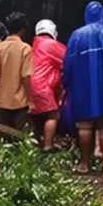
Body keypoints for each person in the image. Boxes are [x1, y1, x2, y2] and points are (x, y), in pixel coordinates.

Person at [63, 1, 103, 175]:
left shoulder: (77, 36)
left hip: (83, 86)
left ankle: (85, 163)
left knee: (84, 125)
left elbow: (68, 62)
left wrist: (66, 82)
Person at [30, 19, 66, 151]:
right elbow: (69, 59)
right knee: (53, 115)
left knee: (34, 115)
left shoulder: (34, 44)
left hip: (29, 84)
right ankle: (48, 145)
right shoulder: (51, 44)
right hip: (42, 85)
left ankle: (36, 143)